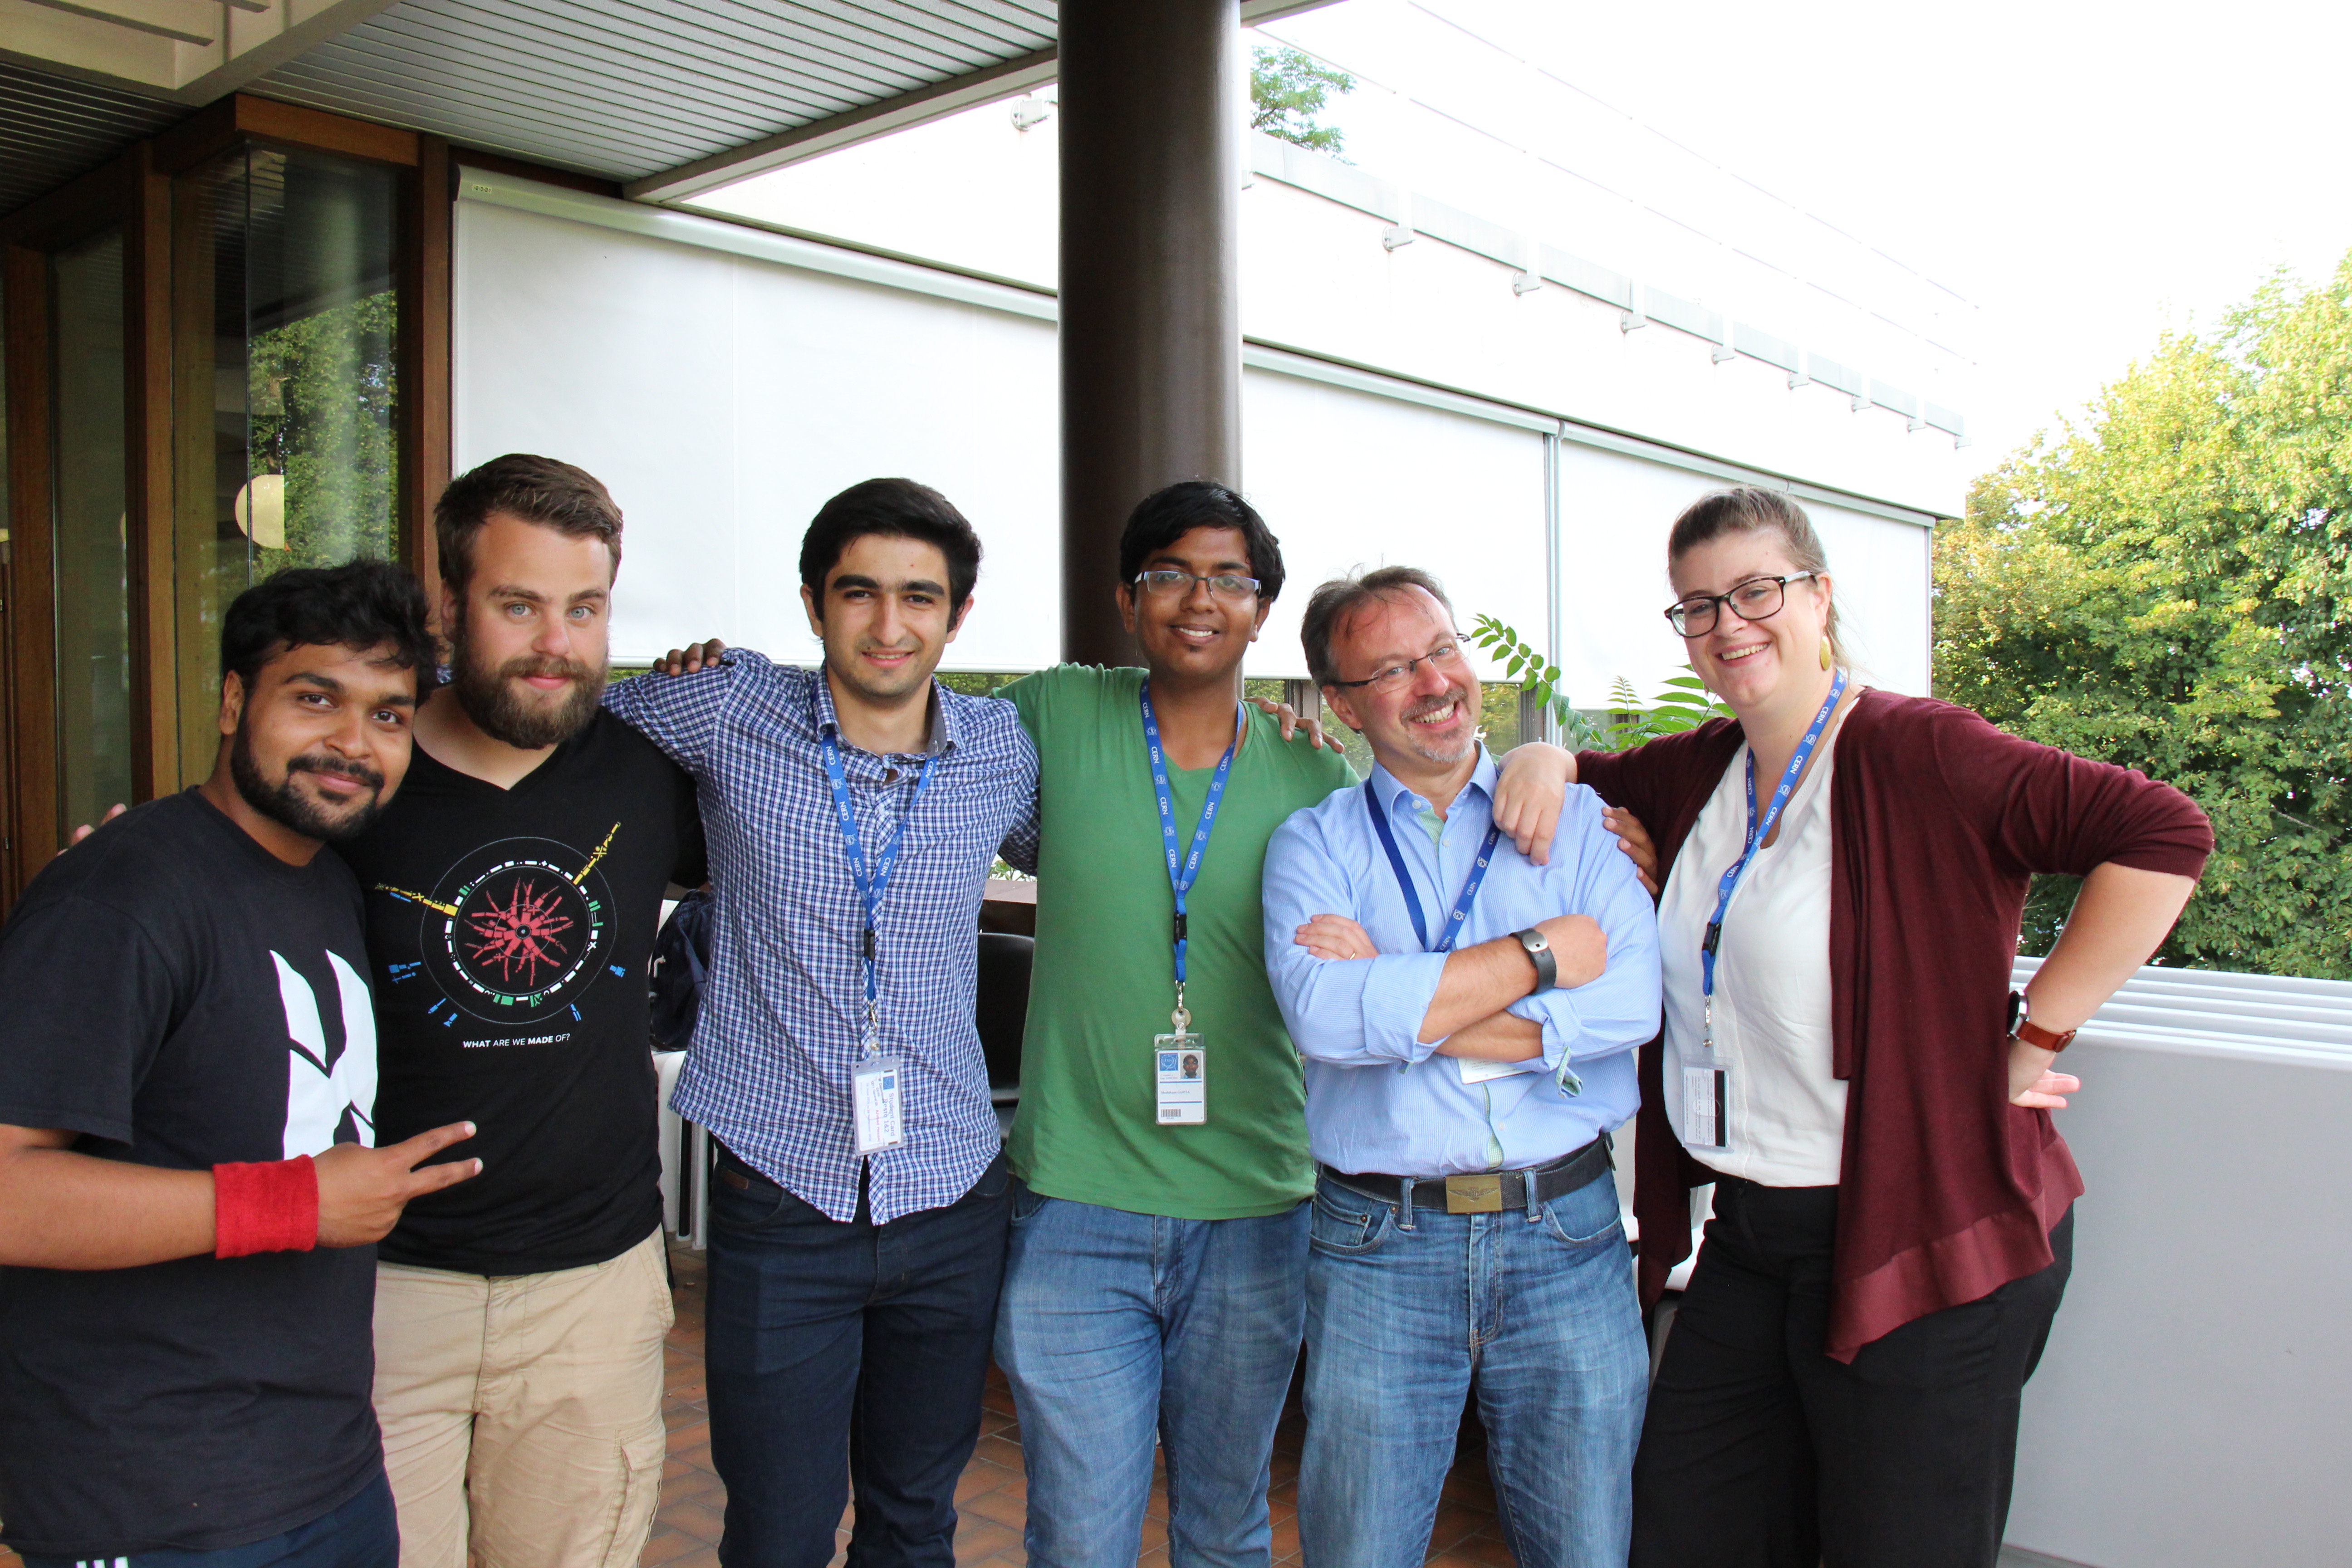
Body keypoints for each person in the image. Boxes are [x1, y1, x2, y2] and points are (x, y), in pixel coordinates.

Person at [1564, 488, 2212, 1568]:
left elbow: (2161, 832)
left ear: (1818, 596)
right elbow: (1558, 776)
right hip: (1754, 1233)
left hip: (1922, 1232)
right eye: (1697, 606)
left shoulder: (1919, 752)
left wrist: (2034, 1039)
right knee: (1679, 1527)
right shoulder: (1700, 771)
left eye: (1756, 591)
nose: (1729, 625)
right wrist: (1542, 764)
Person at [989, 485, 1577, 1568]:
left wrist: (1552, 757)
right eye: (1170, 575)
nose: (1199, 600)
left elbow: (1444, 834)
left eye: (1232, 580)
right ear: (1128, 599)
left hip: (1258, 1206)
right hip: (1078, 1203)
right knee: (1077, 1535)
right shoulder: (1057, 713)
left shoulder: (1315, 774)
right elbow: (892, 700)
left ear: (1262, 611)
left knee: (1226, 1526)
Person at [0, 563, 482, 1568]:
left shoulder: (322, 880)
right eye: (317, 699)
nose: (354, 744)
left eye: (389, 715)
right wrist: (295, 1207)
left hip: (325, 1466)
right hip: (157, 1491)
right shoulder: (124, 896)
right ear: (232, 701)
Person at [609, 479, 1038, 1568]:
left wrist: (1265, 730)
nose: (889, 627)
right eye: (859, 594)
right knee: (778, 1534)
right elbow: (534, 715)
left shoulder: (1004, 748)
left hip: (949, 1196)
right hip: (781, 1195)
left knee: (914, 1521)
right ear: (812, 604)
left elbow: (1140, 809)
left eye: (919, 598)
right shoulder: (724, 706)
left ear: (958, 615)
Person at [337, 456, 706, 1568]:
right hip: (380, 1291)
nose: (556, 640)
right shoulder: (357, 776)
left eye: (584, 608)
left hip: (590, 1291)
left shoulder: (656, 770)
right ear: (447, 605)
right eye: (518, 604)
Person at [1260, 566, 1659, 1568]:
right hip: (1378, 1243)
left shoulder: (1579, 822)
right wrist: (1538, 959)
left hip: (1567, 1231)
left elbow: (1631, 1006)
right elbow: (1326, 1021)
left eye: (1441, 650)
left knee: (1584, 1547)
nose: (1433, 682)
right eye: (1391, 668)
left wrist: (1399, 991)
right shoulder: (1310, 846)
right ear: (1343, 705)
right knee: (1361, 1548)